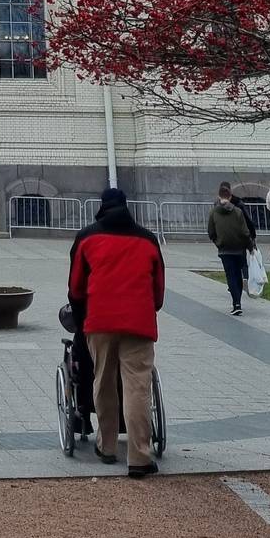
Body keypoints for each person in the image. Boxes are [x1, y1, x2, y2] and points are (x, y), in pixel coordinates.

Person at [68, 186, 166, 477]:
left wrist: (81, 318)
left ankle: (106, 445)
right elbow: (158, 292)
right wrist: (147, 309)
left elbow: (75, 288)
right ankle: (139, 456)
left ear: (101, 207)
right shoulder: (148, 241)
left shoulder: (87, 238)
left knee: (103, 381)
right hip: (138, 322)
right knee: (137, 387)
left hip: (99, 321)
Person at [207, 180, 256, 316]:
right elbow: (245, 232)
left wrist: (218, 242)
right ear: (230, 196)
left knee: (231, 276)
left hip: (224, 250)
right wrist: (250, 247)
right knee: (238, 275)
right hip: (239, 248)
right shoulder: (238, 212)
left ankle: (236, 303)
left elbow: (211, 232)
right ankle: (238, 302)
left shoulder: (213, 212)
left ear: (219, 196)